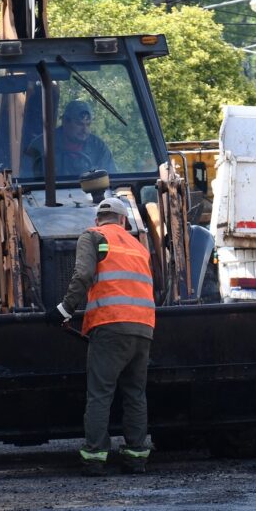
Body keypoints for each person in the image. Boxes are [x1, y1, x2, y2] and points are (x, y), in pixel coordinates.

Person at [56, 196, 154, 476]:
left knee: (101, 393)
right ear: (124, 221)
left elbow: (84, 273)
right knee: (135, 394)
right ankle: (136, 457)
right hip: (144, 327)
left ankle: (95, 458)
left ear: (98, 219)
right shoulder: (138, 246)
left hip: (111, 326)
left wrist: (65, 309)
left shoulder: (93, 236)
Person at [27, 99, 117, 178]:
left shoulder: (99, 148)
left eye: (88, 124)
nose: (85, 130)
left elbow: (112, 180)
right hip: (50, 195)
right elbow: (27, 183)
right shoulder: (40, 146)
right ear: (65, 122)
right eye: (79, 124)